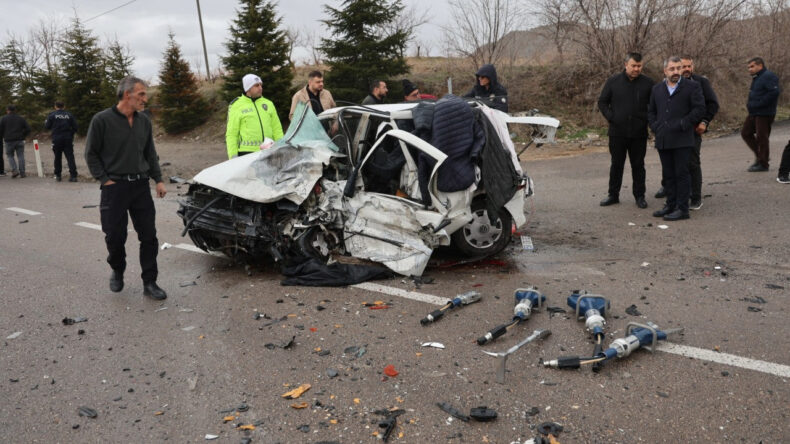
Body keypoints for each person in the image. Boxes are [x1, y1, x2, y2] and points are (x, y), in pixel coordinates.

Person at [84, 76, 168, 300]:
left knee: (149, 236)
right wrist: (104, 179)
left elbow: (150, 152)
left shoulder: (144, 121)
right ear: (126, 94)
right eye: (141, 94)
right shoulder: (101, 120)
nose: (145, 99)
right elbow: (90, 153)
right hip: (115, 188)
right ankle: (117, 269)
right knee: (114, 235)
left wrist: (157, 179)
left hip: (140, 186)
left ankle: (150, 282)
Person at [654, 57, 719, 210]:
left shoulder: (699, 83)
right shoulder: (665, 86)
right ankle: (671, 193)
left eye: (689, 66)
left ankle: (695, 197)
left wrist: (704, 122)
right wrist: (657, 126)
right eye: (683, 66)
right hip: (670, 133)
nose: (686, 69)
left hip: (693, 130)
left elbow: (711, 104)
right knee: (671, 163)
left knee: (691, 163)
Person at [648, 56, 706, 221]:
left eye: (678, 68)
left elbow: (700, 109)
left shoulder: (692, 87)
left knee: (682, 173)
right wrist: (655, 126)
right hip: (663, 138)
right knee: (668, 174)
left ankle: (682, 209)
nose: (676, 72)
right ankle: (670, 205)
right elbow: (651, 111)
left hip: (683, 138)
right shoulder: (657, 89)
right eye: (672, 69)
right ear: (665, 71)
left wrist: (684, 123)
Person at [597, 52, 654, 208]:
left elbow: (655, 105)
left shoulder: (648, 83)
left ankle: (640, 196)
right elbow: (602, 102)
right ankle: (613, 195)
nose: (636, 69)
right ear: (626, 65)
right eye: (633, 66)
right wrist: (612, 117)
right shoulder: (613, 81)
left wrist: (648, 121)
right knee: (616, 164)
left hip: (639, 132)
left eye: (639, 66)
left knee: (638, 165)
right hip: (617, 132)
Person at [226, 73, 284, 159]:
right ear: (248, 88)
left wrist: (282, 147)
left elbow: (277, 128)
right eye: (256, 85)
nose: (260, 88)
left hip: (269, 151)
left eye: (261, 85)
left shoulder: (268, 103)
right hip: (246, 153)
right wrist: (233, 156)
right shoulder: (236, 106)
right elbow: (232, 134)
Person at [741, 57, 781, 172]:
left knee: (762, 138)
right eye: (748, 67)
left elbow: (774, 92)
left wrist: (759, 104)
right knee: (746, 133)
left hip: (764, 113)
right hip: (754, 112)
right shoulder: (757, 78)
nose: (750, 69)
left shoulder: (768, 76)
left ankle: (763, 164)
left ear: (760, 65)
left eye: (752, 66)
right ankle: (761, 157)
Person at [45, 101, 79, 182]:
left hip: (57, 138)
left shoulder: (52, 115)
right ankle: (73, 176)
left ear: (55, 106)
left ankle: (58, 175)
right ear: (64, 106)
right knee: (70, 157)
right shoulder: (69, 115)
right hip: (67, 138)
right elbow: (76, 127)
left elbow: (47, 126)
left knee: (57, 157)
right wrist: (71, 134)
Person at [0, 105, 31, 178]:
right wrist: (23, 136)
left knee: (10, 156)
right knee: (21, 156)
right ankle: (22, 173)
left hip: (8, 140)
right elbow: (28, 129)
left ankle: (15, 170)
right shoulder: (21, 118)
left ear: (7, 110)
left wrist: (3, 136)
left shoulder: (4, 119)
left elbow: (0, 130)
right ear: (15, 110)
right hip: (19, 140)